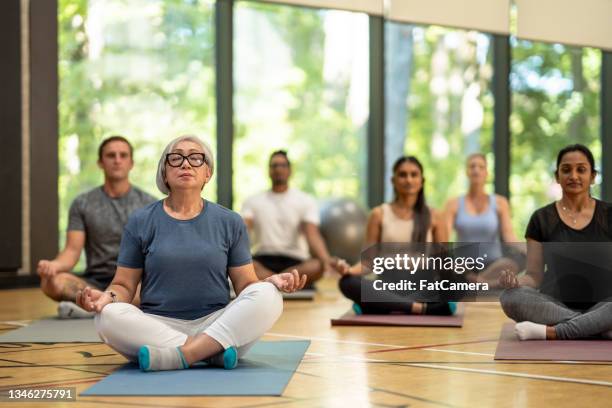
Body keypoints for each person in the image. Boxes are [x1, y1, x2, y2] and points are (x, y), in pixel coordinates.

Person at [77, 135, 306, 372]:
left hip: (217, 324)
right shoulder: (140, 221)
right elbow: (124, 286)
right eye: (176, 158)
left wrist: (269, 283)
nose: (186, 164)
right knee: (106, 317)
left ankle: (183, 355)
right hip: (158, 326)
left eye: (196, 158)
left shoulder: (230, 221)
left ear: (208, 173)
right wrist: (107, 298)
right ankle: (210, 353)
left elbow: (246, 285)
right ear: (164, 173)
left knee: (270, 296)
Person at [500, 144, 612, 340]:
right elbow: (534, 276)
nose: (574, 176)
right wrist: (517, 282)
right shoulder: (541, 218)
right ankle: (597, 328)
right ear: (557, 176)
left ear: (593, 176)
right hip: (556, 306)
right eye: (566, 170)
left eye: (581, 170)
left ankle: (555, 331)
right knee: (510, 297)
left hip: (605, 304)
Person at [37, 136, 156, 318]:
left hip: (133, 284)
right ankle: (107, 306)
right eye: (111, 155)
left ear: (131, 163)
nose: (117, 160)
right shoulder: (82, 203)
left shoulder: (149, 204)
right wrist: (53, 266)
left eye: (123, 155)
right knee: (51, 283)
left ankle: (93, 308)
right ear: (101, 162)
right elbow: (71, 251)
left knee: (155, 288)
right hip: (94, 284)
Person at [333, 156, 456, 315]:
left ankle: (382, 305)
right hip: (388, 286)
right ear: (393, 180)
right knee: (347, 283)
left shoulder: (434, 216)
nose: (408, 180)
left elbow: (443, 262)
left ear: (422, 180)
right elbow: (368, 262)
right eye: (403, 175)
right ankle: (418, 308)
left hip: (422, 286)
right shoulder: (378, 214)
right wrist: (348, 270)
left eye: (414, 174)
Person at [241, 150, 335, 286]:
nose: (278, 169)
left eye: (283, 165)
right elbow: (243, 231)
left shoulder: (305, 200)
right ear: (269, 170)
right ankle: (286, 281)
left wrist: (327, 261)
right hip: (263, 259)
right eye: (274, 166)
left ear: (290, 170)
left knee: (317, 265)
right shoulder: (252, 201)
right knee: (244, 265)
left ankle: (275, 281)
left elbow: (312, 234)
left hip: (296, 261)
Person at [444, 153, 525, 286]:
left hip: (494, 266)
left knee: (518, 260)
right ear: (467, 172)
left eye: (481, 167)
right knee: (444, 262)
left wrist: (531, 250)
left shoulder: (500, 202)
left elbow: (509, 236)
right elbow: (444, 238)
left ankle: (479, 281)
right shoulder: (453, 204)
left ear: (486, 173)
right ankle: (484, 283)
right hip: (463, 266)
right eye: (472, 166)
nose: (476, 170)